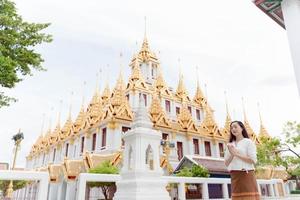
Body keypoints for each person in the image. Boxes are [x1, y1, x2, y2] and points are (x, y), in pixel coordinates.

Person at [224, 120, 260, 200]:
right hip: (235, 176)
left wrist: (236, 154)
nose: (233, 129)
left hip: (246, 174)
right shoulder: (230, 144)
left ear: (242, 128)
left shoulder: (248, 142)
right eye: (231, 128)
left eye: (235, 127)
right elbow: (226, 163)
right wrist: (232, 154)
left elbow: (253, 160)